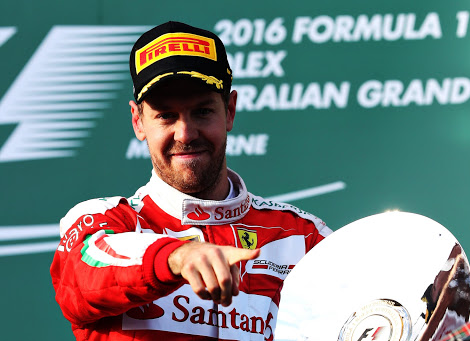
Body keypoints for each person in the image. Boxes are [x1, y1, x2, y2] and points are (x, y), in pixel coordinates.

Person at [50, 20, 332, 340]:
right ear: (138, 121)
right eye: (166, 116)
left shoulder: (303, 237)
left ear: (230, 111)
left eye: (202, 112)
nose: (185, 134)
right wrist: (177, 256)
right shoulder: (106, 220)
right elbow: (81, 276)